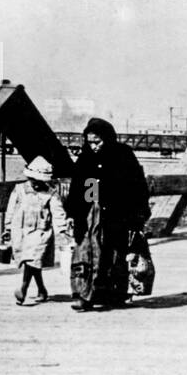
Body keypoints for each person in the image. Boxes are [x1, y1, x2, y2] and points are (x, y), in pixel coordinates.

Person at [65, 118, 150, 312]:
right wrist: (75, 213)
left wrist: (138, 215)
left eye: (98, 142)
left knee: (116, 252)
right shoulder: (86, 158)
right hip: (91, 214)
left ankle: (114, 293)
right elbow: (82, 188)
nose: (93, 146)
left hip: (118, 213)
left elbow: (137, 187)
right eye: (90, 142)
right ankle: (83, 294)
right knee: (86, 252)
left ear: (108, 138)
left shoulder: (123, 155)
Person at [2, 155, 69, 305]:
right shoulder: (19, 190)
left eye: (40, 181)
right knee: (32, 261)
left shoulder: (51, 194)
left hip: (41, 231)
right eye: (34, 180)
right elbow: (11, 209)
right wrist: (7, 227)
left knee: (32, 258)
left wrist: (62, 230)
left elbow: (58, 212)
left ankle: (23, 289)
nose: (36, 184)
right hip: (20, 231)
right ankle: (42, 289)